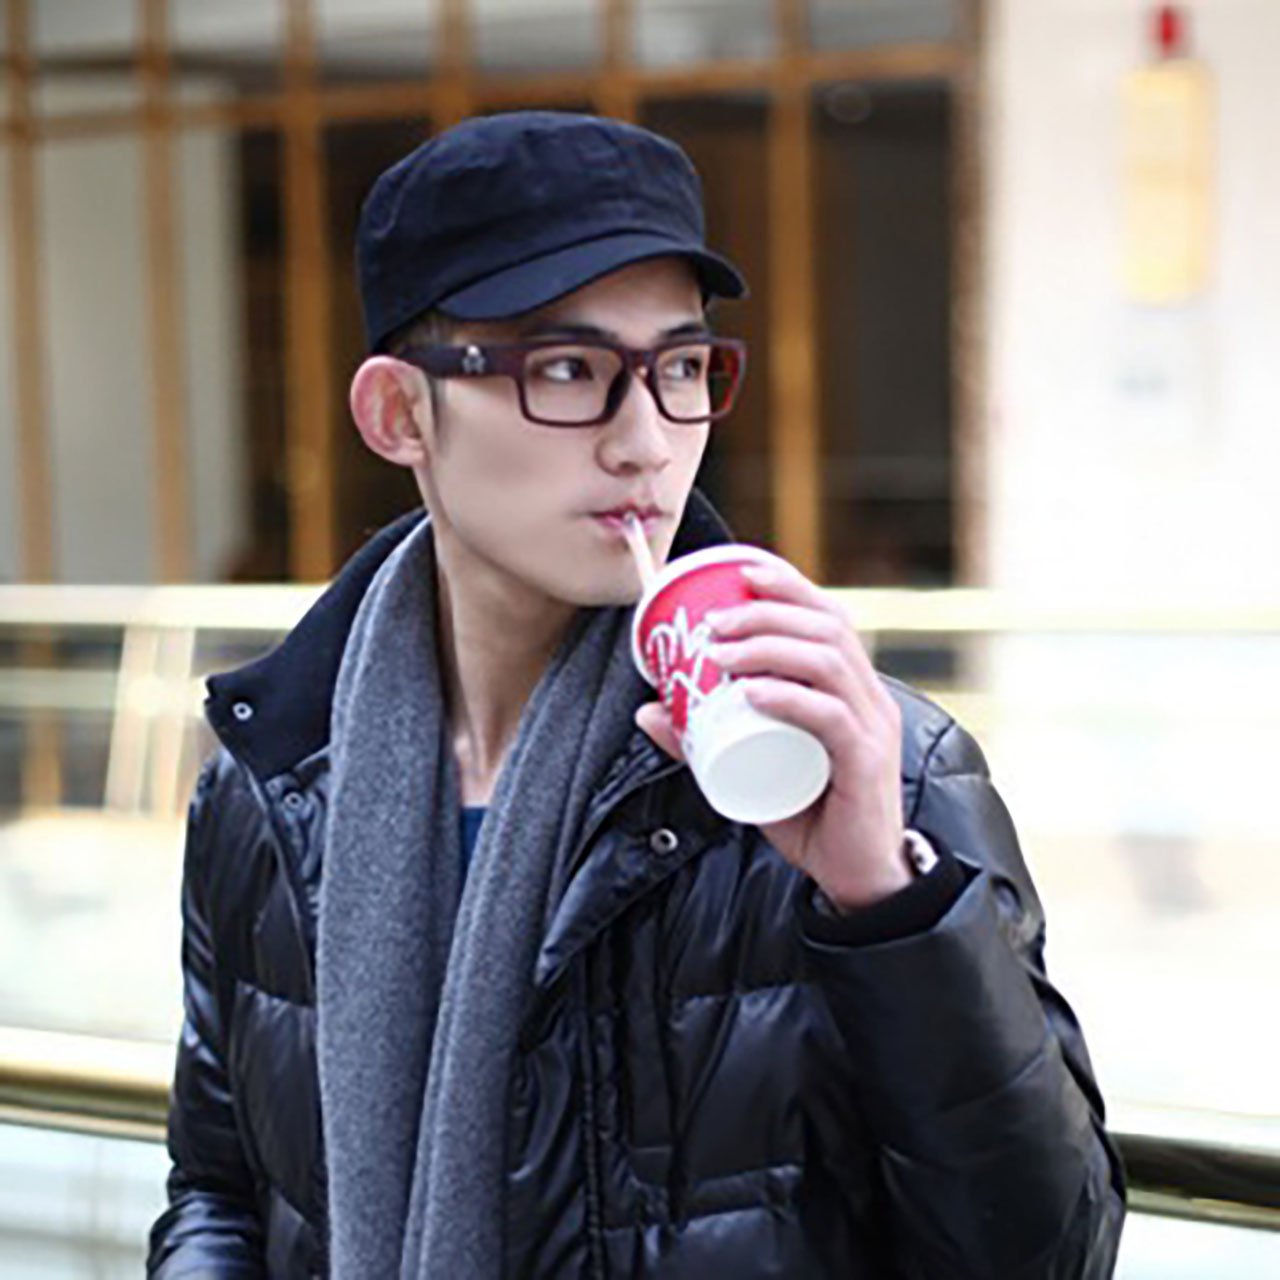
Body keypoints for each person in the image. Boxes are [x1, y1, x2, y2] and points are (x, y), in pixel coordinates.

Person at [147, 112, 1125, 1278]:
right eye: (567, 369)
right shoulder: (271, 783)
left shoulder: (866, 762)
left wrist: (886, 902)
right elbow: (219, 1187)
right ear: (400, 413)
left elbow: (1049, 1254)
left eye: (679, 368)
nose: (646, 441)